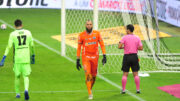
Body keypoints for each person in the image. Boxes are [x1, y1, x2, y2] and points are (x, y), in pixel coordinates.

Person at [0, 19, 35, 100]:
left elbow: (9, 46)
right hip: (26, 58)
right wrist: (33, 55)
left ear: (14, 26)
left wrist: (3, 58)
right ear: (22, 25)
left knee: (17, 76)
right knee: (26, 76)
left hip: (17, 58)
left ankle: (17, 94)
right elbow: (32, 45)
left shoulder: (12, 34)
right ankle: (26, 90)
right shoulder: (28, 32)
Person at [76, 20, 107, 100]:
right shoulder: (81, 35)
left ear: (92, 25)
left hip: (95, 57)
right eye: (87, 24)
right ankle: (90, 93)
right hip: (86, 57)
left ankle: (89, 87)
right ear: (85, 25)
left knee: (94, 76)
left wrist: (104, 55)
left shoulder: (97, 34)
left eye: (90, 24)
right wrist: (77, 60)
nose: (89, 26)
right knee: (88, 74)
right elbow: (79, 48)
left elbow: (102, 44)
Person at [118, 24, 143, 94]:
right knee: (136, 74)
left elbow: (119, 46)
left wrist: (124, 47)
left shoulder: (124, 37)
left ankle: (123, 90)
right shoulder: (137, 37)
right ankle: (138, 89)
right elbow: (141, 48)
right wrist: (135, 47)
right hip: (135, 56)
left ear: (128, 30)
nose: (125, 30)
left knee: (125, 74)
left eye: (126, 29)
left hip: (127, 57)